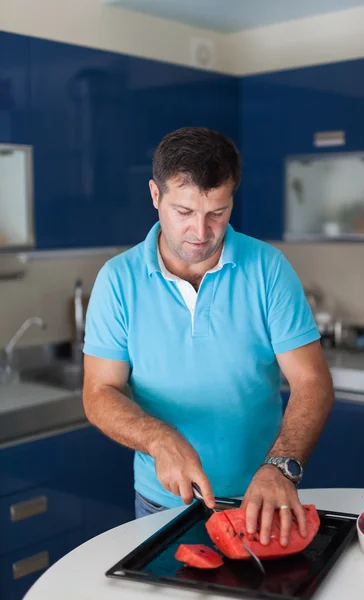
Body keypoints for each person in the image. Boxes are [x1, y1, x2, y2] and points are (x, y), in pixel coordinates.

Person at [82, 127, 334, 547]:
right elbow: (99, 391)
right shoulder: (117, 280)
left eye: (217, 212)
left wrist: (280, 466)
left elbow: (312, 381)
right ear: (155, 195)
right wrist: (158, 439)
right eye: (184, 212)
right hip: (161, 505)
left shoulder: (268, 269)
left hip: (263, 499)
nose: (201, 231)